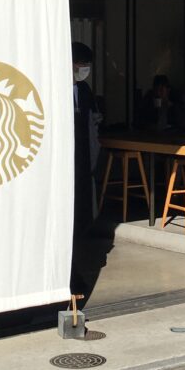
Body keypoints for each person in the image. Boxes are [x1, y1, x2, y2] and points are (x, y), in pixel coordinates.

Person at [71, 42, 98, 294]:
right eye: (82, 64)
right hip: (66, 166)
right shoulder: (55, 89)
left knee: (82, 216)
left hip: (83, 163)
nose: (85, 70)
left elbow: (92, 123)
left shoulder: (85, 90)